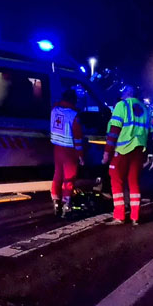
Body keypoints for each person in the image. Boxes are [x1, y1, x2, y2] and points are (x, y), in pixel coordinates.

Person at [101, 85, 152, 225]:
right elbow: (150, 134)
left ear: (127, 93)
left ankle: (119, 216)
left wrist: (107, 152)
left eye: (123, 92)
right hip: (139, 150)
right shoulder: (145, 109)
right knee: (134, 182)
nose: (121, 95)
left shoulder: (122, 105)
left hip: (122, 150)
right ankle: (135, 216)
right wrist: (148, 154)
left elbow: (114, 130)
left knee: (116, 181)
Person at [50, 89, 85, 217]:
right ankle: (66, 205)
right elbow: (77, 138)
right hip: (69, 150)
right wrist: (81, 156)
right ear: (74, 100)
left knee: (57, 175)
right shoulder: (74, 115)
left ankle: (56, 202)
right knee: (69, 177)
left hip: (57, 148)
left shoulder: (54, 110)